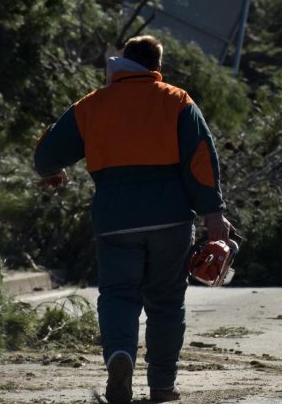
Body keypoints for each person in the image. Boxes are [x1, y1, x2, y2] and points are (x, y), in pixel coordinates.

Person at [34, 35, 232, 404]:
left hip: (115, 222)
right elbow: (201, 162)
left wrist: (54, 170)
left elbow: (45, 154)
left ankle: (120, 357)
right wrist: (213, 215)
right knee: (166, 303)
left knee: (119, 296)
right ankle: (161, 386)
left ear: (124, 61)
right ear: (156, 67)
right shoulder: (177, 101)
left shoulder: (92, 105)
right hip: (171, 222)